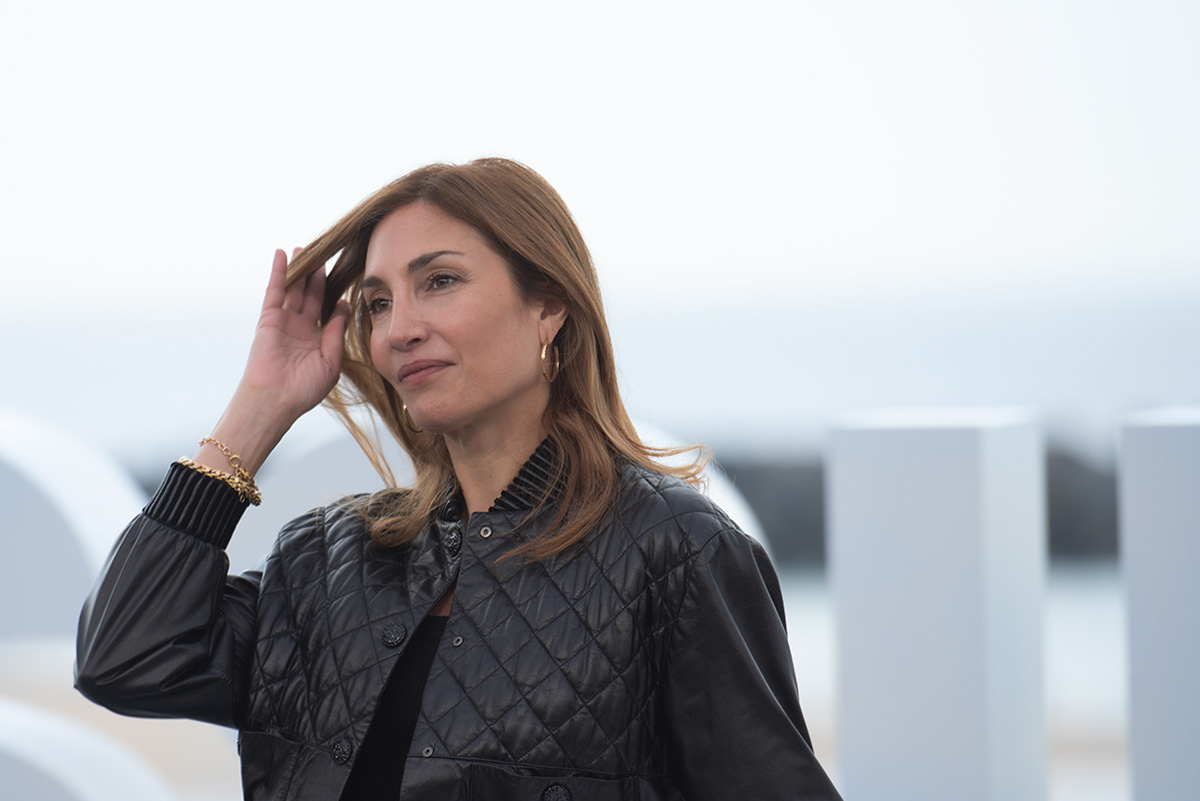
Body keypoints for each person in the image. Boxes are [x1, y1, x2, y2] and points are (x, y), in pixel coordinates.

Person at [75, 158, 842, 800]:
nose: (400, 328)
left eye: (439, 281)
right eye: (378, 303)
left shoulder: (675, 549)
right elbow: (125, 656)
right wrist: (258, 406)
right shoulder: (324, 558)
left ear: (548, 306)